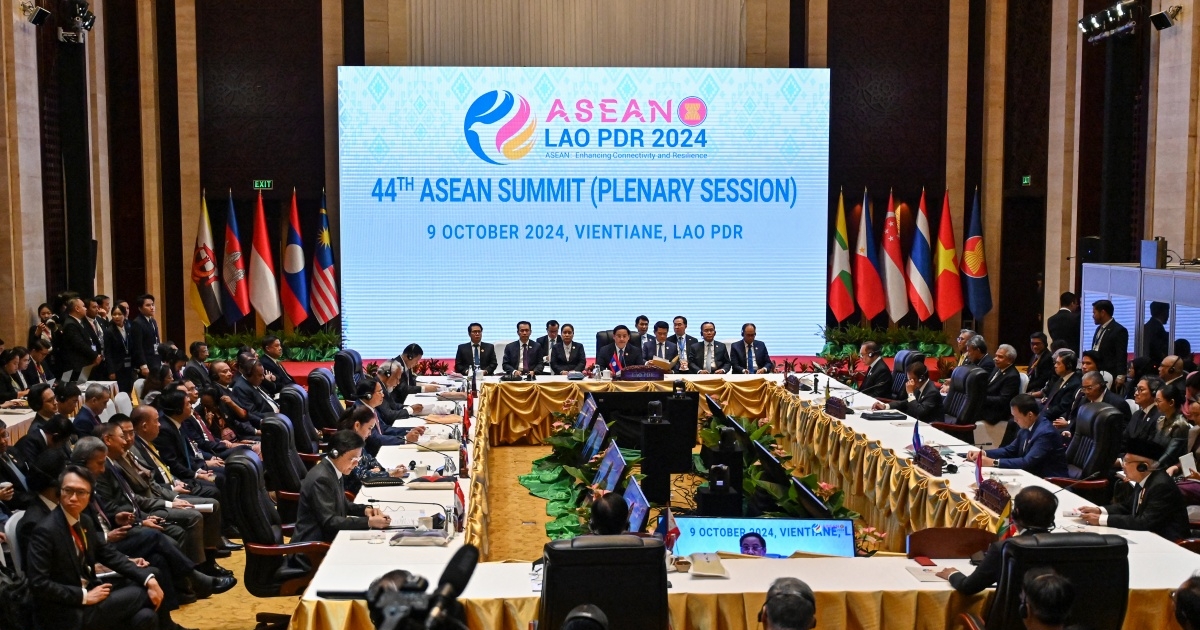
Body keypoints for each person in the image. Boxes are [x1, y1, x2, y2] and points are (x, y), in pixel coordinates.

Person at [26, 464, 165, 630]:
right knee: (142, 593)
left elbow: (109, 555)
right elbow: (38, 583)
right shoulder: (45, 530)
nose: (73, 498)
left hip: (90, 590)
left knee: (146, 611)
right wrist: (84, 596)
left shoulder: (84, 521)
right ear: (59, 492)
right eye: (68, 491)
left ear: (90, 496)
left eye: (80, 492)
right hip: (66, 610)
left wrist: (148, 579)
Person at [936, 486, 1058, 592]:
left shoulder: (1005, 548)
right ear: (1051, 517)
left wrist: (952, 574)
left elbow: (968, 587)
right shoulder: (1065, 544)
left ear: (1016, 513)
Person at [294, 429, 391, 546]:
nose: (356, 464)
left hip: (328, 539)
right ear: (335, 454)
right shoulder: (321, 479)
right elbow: (330, 521)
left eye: (358, 459)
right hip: (313, 548)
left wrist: (366, 510)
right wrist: (368, 522)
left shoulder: (333, 470)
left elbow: (343, 504)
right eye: (352, 459)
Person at [1079, 438, 1189, 540]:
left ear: (1143, 467)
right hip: (1147, 536)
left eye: (1127, 462)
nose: (1123, 465)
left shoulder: (1161, 486)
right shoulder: (1144, 479)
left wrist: (1102, 520)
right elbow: (1127, 507)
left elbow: (1145, 522)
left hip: (1168, 542)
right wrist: (1099, 510)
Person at [969, 394, 1068, 478]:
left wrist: (993, 462)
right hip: (1032, 476)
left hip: (1051, 482)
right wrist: (983, 453)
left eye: (1016, 417)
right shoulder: (1027, 426)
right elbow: (1009, 450)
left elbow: (1027, 462)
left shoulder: (1046, 433)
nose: (1015, 420)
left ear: (1029, 415)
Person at [336, 405, 408, 493]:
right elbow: (362, 476)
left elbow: (372, 461)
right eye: (369, 428)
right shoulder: (346, 445)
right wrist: (390, 473)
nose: (370, 433)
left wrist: (383, 471)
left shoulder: (357, 441)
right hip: (354, 495)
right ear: (357, 425)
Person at [1054, 371, 1131, 440]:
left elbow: (1123, 432)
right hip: (1086, 441)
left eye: (1089, 388)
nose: (1086, 392)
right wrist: (1071, 432)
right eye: (1084, 388)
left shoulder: (1118, 404)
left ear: (1101, 386)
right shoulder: (1084, 400)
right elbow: (1078, 422)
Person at [873, 362, 943, 423]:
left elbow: (920, 413)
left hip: (930, 428)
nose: (909, 383)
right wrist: (885, 406)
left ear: (921, 378)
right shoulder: (918, 386)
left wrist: (910, 393)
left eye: (911, 379)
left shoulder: (932, 392)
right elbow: (906, 403)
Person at [1146, 384, 1191, 470]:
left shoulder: (1180, 425)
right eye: (1155, 401)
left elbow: (1169, 455)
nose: (1156, 404)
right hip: (1157, 464)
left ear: (1171, 403)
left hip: (1171, 469)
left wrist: (1150, 468)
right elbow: (1152, 447)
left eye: (1159, 401)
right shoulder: (1160, 420)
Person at [59, 297, 103, 381]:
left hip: (84, 364)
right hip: (75, 367)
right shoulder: (70, 324)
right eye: (83, 306)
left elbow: (88, 340)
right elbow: (79, 344)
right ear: (77, 309)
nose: (85, 308)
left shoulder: (79, 322)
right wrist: (95, 355)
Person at [230, 359, 280, 428]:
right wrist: (275, 414)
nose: (262, 378)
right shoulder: (240, 388)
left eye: (262, 375)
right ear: (249, 375)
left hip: (276, 410)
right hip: (268, 421)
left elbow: (272, 388)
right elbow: (252, 413)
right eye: (260, 375)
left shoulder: (255, 380)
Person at [979, 345, 1022, 424]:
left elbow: (1003, 400)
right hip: (987, 405)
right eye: (996, 355)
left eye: (1000, 357)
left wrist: (981, 398)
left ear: (1010, 360)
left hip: (996, 411)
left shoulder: (1012, 376)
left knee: (967, 412)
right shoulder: (997, 368)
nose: (995, 359)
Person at [1036, 352, 1082, 424]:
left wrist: (1040, 415)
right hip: (1047, 410)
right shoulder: (1060, 378)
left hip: (1056, 419)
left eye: (1058, 363)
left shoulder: (1074, 383)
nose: (1055, 366)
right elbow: (1051, 397)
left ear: (1068, 366)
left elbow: (1062, 408)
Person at [1089, 299, 1129, 378]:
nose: (1093, 316)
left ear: (1102, 313)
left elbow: (1121, 355)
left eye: (1094, 313)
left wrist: (1120, 375)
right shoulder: (1098, 329)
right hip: (1096, 372)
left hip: (1110, 374)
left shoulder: (1119, 330)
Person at [1123, 377, 1164, 447]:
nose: (1136, 393)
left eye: (1141, 390)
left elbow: (1152, 446)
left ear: (1154, 393)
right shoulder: (1136, 414)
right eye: (1136, 389)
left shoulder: (1160, 417)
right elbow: (1124, 439)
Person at [130, 294, 162, 378]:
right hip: (147, 362)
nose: (152, 307)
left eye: (152, 305)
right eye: (148, 305)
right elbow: (137, 346)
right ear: (140, 308)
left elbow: (156, 340)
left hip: (155, 359)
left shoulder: (153, 321)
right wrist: (143, 365)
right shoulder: (137, 323)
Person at [105, 305, 134, 393]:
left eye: (119, 314)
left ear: (124, 315)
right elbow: (108, 352)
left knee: (129, 389)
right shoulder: (109, 331)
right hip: (117, 367)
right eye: (114, 314)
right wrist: (111, 371)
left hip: (129, 365)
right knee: (120, 391)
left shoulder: (129, 327)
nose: (116, 317)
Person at [1144, 301, 1171, 367]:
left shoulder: (1145, 327)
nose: (1168, 316)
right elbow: (1159, 353)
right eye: (1168, 312)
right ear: (1164, 312)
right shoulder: (1158, 330)